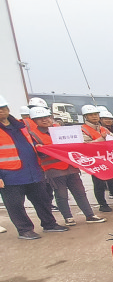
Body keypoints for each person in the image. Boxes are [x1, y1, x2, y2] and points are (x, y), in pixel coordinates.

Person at [0, 94, 68, 239]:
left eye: (3, 107)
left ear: (8, 108)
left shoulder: (20, 125)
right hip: (10, 175)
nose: (1, 111)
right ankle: (24, 230)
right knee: (16, 206)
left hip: (33, 171)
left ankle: (49, 224)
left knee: (42, 200)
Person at [28, 106, 105, 225]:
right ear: (34, 121)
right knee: (61, 194)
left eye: (47, 117)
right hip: (53, 169)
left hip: (71, 166)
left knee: (80, 192)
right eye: (40, 118)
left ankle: (90, 215)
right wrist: (40, 149)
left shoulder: (60, 130)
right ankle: (68, 217)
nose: (45, 120)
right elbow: (36, 153)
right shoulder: (33, 134)